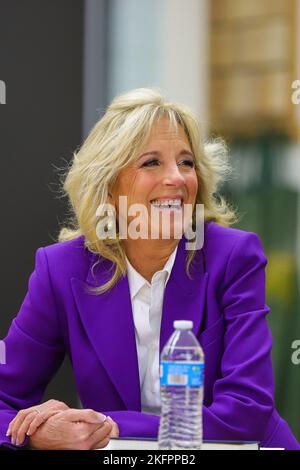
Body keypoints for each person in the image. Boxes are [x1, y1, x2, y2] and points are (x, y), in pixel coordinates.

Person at [0, 88, 299, 450]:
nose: (176, 178)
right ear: (108, 186)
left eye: (186, 163)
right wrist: (39, 433)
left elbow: (246, 412)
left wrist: (106, 424)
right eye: (151, 162)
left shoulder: (233, 256)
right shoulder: (62, 269)